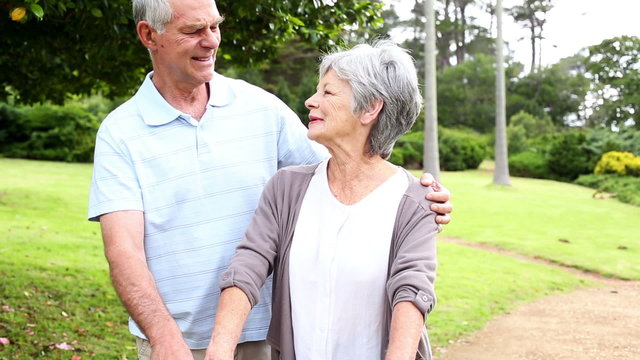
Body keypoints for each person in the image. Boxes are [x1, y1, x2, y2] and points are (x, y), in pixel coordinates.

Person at [88, 0, 452, 359]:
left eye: (215, 26)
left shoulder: (261, 107)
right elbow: (124, 251)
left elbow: (349, 167)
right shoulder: (120, 133)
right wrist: (165, 338)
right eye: (193, 30)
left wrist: (419, 197)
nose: (211, 40)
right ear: (148, 35)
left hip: (271, 334)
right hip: (176, 342)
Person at [206, 41, 438, 360]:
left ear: (371, 108)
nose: (311, 101)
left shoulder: (413, 201)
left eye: (328, 93)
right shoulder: (287, 188)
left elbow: (412, 291)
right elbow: (248, 266)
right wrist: (220, 349)